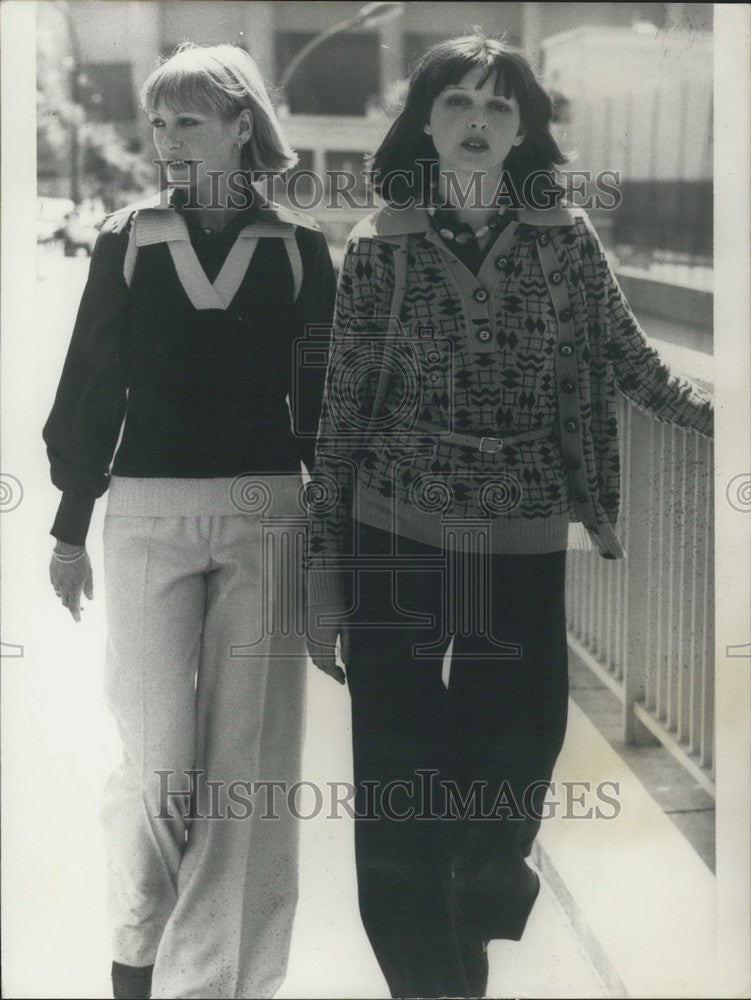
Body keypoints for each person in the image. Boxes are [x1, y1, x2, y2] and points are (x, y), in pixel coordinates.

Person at [306, 33, 713, 999]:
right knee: (400, 785)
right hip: (394, 535)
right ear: (425, 123)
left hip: (520, 538)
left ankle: (469, 908)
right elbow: (341, 415)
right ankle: (428, 979)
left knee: (516, 759)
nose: (478, 123)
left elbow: (636, 365)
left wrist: (721, 421)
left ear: (526, 126)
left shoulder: (565, 240)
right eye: (457, 104)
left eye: (498, 106)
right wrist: (323, 581)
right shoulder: (381, 244)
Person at [44, 43, 336, 1000]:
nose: (167, 142)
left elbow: (329, 412)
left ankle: (213, 987)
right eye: (158, 123)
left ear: (240, 125)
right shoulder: (127, 241)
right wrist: (70, 524)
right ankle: (139, 956)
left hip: (267, 519)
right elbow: (89, 386)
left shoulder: (297, 250)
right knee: (157, 767)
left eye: (189, 122)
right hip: (147, 516)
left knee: (245, 776)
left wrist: (334, 553)